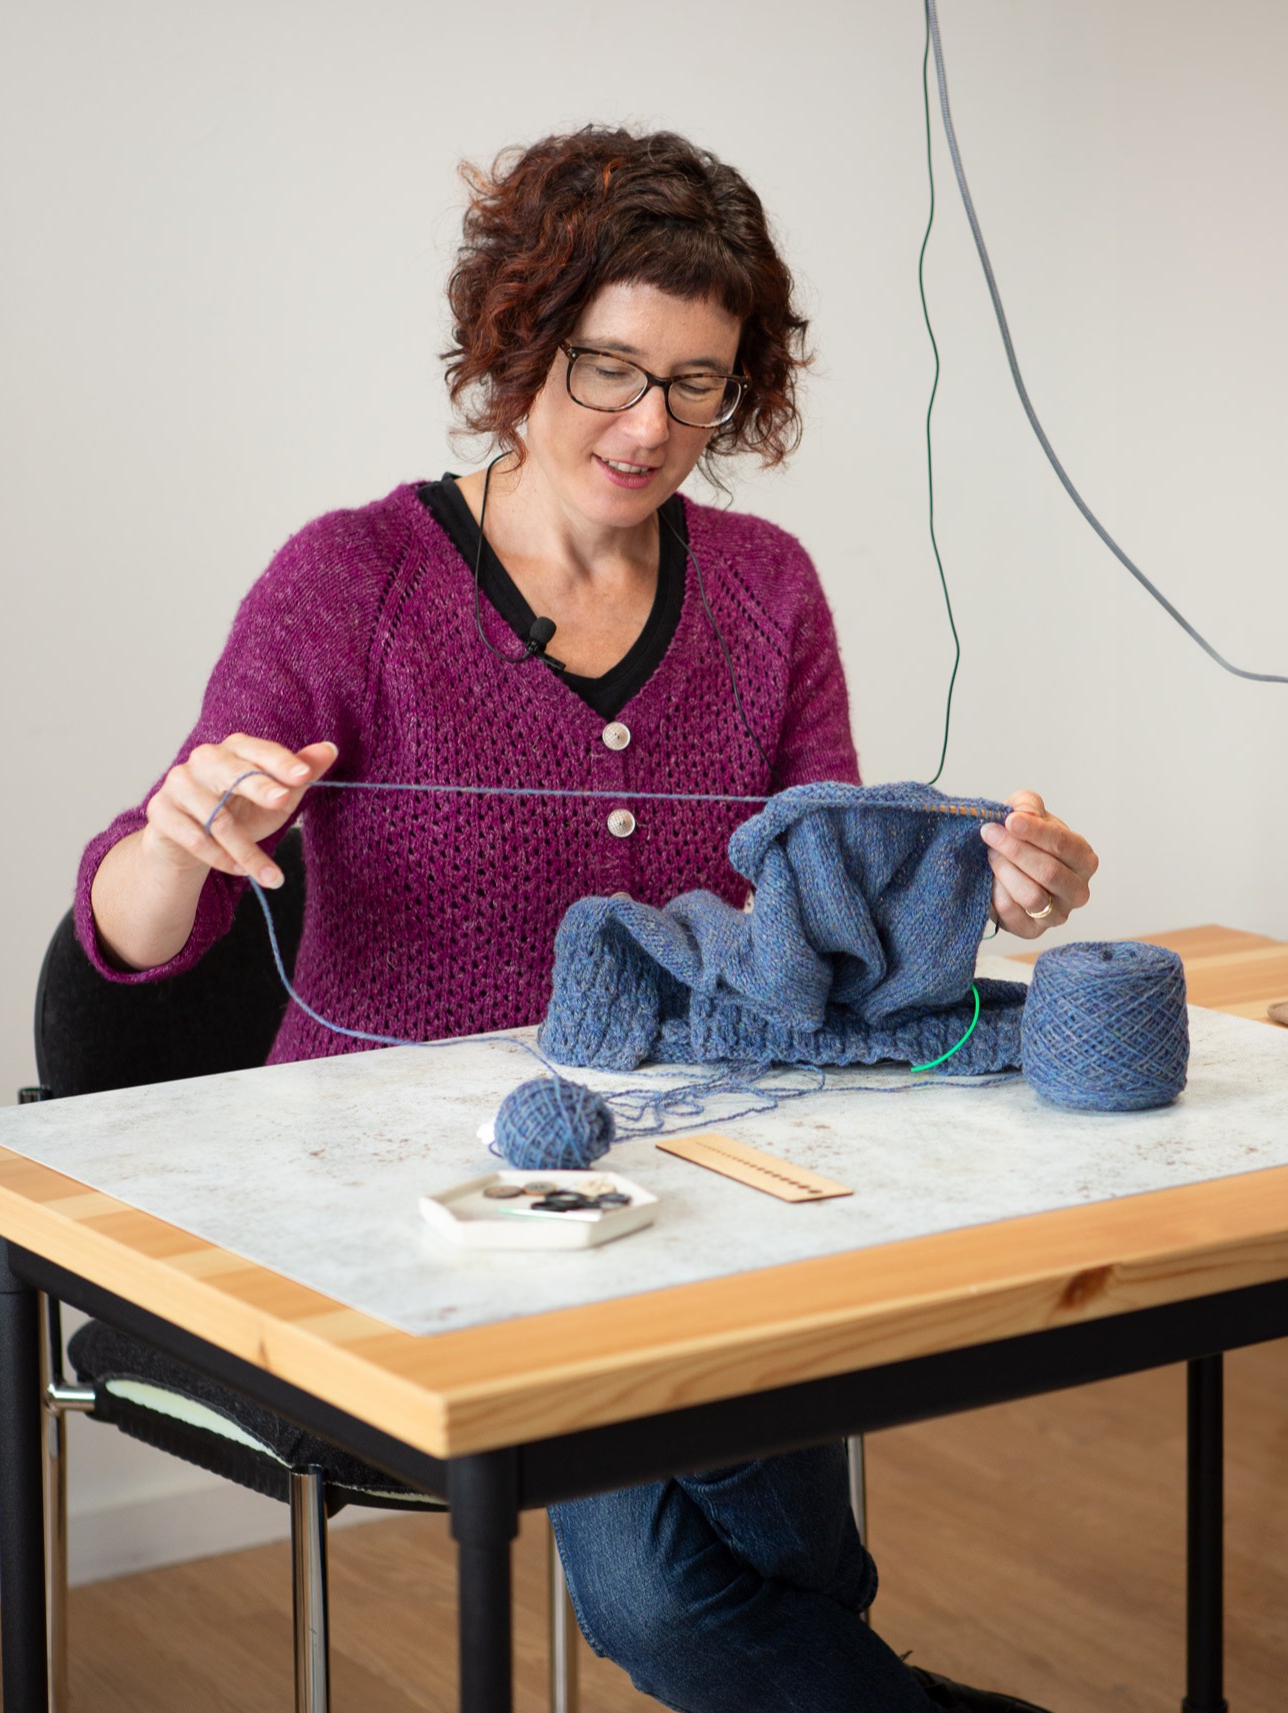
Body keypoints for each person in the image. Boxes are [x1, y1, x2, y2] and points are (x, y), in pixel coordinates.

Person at [78, 127, 1097, 1713]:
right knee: (684, 1597)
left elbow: (816, 925)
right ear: (520, 342)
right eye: (609, 367)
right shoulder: (352, 581)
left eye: (699, 382)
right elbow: (137, 939)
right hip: (428, 1208)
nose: (648, 425)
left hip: (704, 1170)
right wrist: (180, 832)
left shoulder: (766, 589)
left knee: (682, 1584)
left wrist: (985, 885)